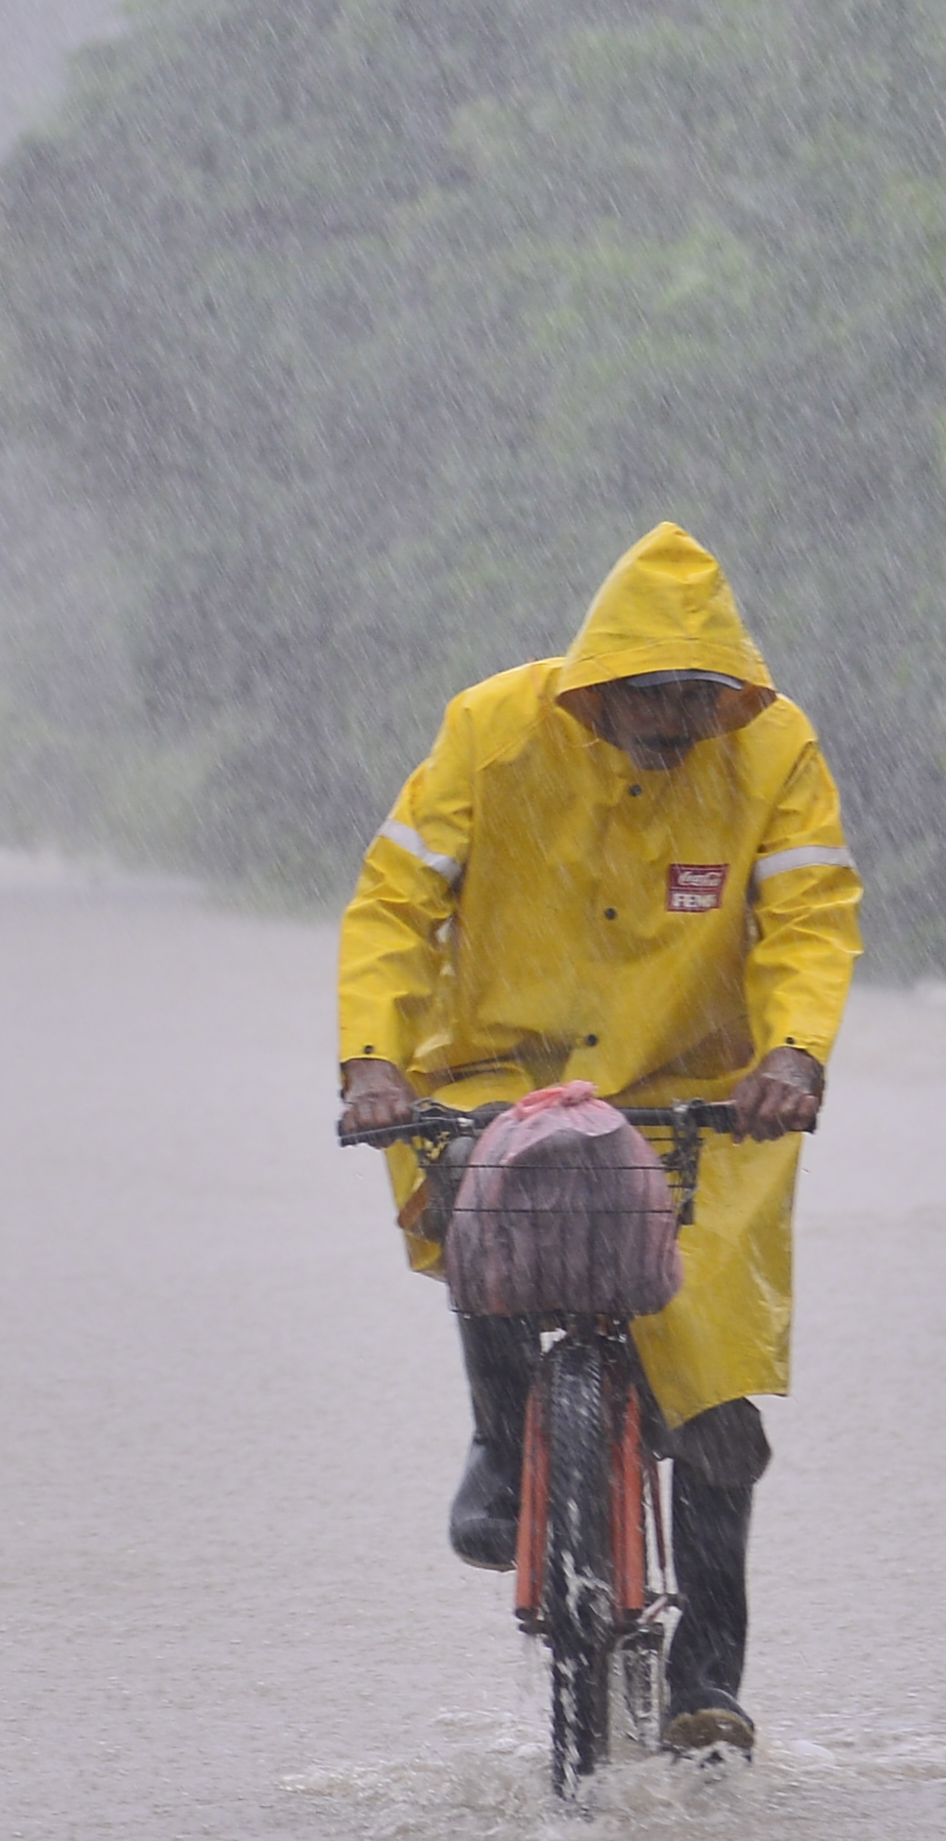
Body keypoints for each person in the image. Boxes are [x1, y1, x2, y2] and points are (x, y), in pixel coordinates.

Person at [331, 522, 860, 1753]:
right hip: (503, 1068)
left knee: (709, 1367)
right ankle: (502, 1432)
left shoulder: (774, 752)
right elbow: (396, 901)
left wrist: (793, 1051)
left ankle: (705, 1680)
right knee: (475, 1199)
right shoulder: (491, 730)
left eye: (700, 696)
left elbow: (810, 914)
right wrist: (370, 1059)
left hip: (706, 1091)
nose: (676, 720)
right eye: (654, 693)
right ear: (597, 683)